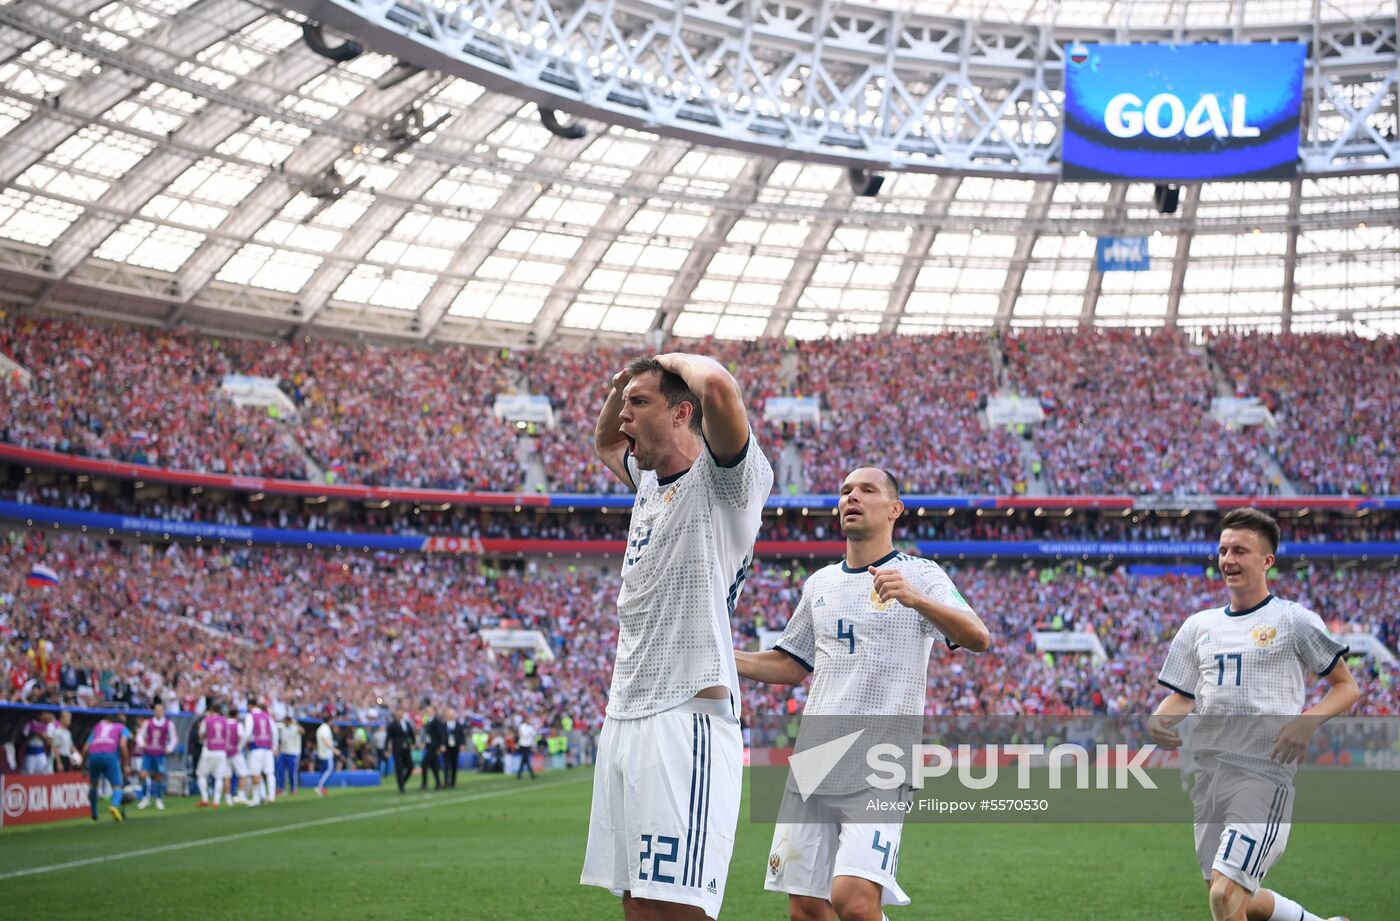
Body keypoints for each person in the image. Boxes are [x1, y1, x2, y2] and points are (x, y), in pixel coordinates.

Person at [735, 466, 990, 921]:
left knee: (853, 901)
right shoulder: (820, 583)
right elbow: (790, 663)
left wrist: (917, 600)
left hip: (880, 760)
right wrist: (722, 655)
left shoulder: (921, 574)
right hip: (815, 757)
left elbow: (978, 636)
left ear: (894, 509)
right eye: (845, 491)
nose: (851, 497)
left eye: (866, 490)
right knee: (806, 908)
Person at [580, 353, 773, 921]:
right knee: (638, 902)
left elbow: (717, 384)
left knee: (681, 907)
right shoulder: (645, 480)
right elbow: (603, 442)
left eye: (639, 404)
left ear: (682, 413)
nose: (624, 417)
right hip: (626, 713)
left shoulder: (729, 484)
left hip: (686, 714)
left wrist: (657, 360)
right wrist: (625, 383)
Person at [1149, 508, 1360, 921]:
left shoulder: (1292, 620)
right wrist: (1158, 718)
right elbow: (1183, 696)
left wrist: (1307, 720)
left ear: (1267, 560)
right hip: (1208, 776)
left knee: (1225, 897)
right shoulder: (1198, 626)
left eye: (1240, 551)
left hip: (1263, 775)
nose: (1228, 559)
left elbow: (1346, 686)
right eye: (1224, 549)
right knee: (1230, 892)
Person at [83, 715, 131, 822]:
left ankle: (94, 813)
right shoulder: (122, 728)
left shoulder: (98, 726)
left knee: (93, 785)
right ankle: (114, 805)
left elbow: (86, 748)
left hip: (93, 756)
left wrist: (83, 767)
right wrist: (126, 764)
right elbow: (123, 745)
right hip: (110, 756)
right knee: (117, 786)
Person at [135, 701, 177, 810]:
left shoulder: (168, 724)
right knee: (143, 774)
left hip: (160, 754)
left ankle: (159, 799)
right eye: (156, 710)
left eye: (160, 710)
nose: (158, 712)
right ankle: (145, 799)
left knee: (159, 777)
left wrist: (169, 748)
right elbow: (140, 735)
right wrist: (142, 743)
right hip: (148, 753)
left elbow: (174, 738)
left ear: (163, 711)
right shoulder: (148, 723)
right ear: (154, 711)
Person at [195, 706, 230, 808]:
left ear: (212, 711)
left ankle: (205, 798)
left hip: (208, 751)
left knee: (201, 775)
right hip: (221, 751)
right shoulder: (225, 721)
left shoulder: (207, 720)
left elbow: (201, 734)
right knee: (219, 777)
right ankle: (216, 801)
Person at [246, 698, 277, 806]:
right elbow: (274, 732)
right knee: (269, 773)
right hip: (267, 747)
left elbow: (248, 732)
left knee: (256, 772)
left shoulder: (250, 716)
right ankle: (270, 796)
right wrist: (274, 746)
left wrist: (243, 744)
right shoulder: (268, 716)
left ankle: (256, 799)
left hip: (256, 747)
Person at [386, 707, 415, 793]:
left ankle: (402, 781)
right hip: (397, 749)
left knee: (410, 766)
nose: (399, 714)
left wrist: (413, 743)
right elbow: (388, 738)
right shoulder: (392, 725)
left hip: (406, 748)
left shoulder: (407, 724)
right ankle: (401, 786)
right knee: (399, 767)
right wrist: (386, 749)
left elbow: (411, 735)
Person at [276, 714, 303, 795]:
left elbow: (302, 731)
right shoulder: (282, 727)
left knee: (292, 772)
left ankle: (293, 789)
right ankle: (281, 788)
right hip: (283, 752)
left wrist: (295, 724)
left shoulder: (295, 728)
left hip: (293, 753)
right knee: (280, 770)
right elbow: (274, 725)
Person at [420, 705, 445, 791]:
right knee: (434, 766)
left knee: (424, 764)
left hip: (434, 747)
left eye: (430, 710)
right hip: (430, 745)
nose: (428, 712)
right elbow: (427, 735)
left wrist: (441, 744)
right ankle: (438, 783)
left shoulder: (436, 721)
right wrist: (424, 743)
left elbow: (441, 733)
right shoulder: (427, 721)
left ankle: (425, 784)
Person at [313, 715, 339, 796]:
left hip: (322, 752)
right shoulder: (325, 729)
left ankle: (321, 787)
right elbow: (325, 741)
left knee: (324, 771)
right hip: (326, 753)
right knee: (329, 769)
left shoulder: (321, 728)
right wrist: (334, 750)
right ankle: (319, 786)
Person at [443, 708, 464, 789]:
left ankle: (453, 781)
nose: (451, 716)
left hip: (455, 747)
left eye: (452, 714)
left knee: (454, 765)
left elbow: (461, 736)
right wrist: (442, 744)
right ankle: (446, 781)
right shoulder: (444, 725)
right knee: (446, 765)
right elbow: (442, 736)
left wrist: (462, 744)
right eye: (449, 714)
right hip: (447, 747)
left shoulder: (458, 725)